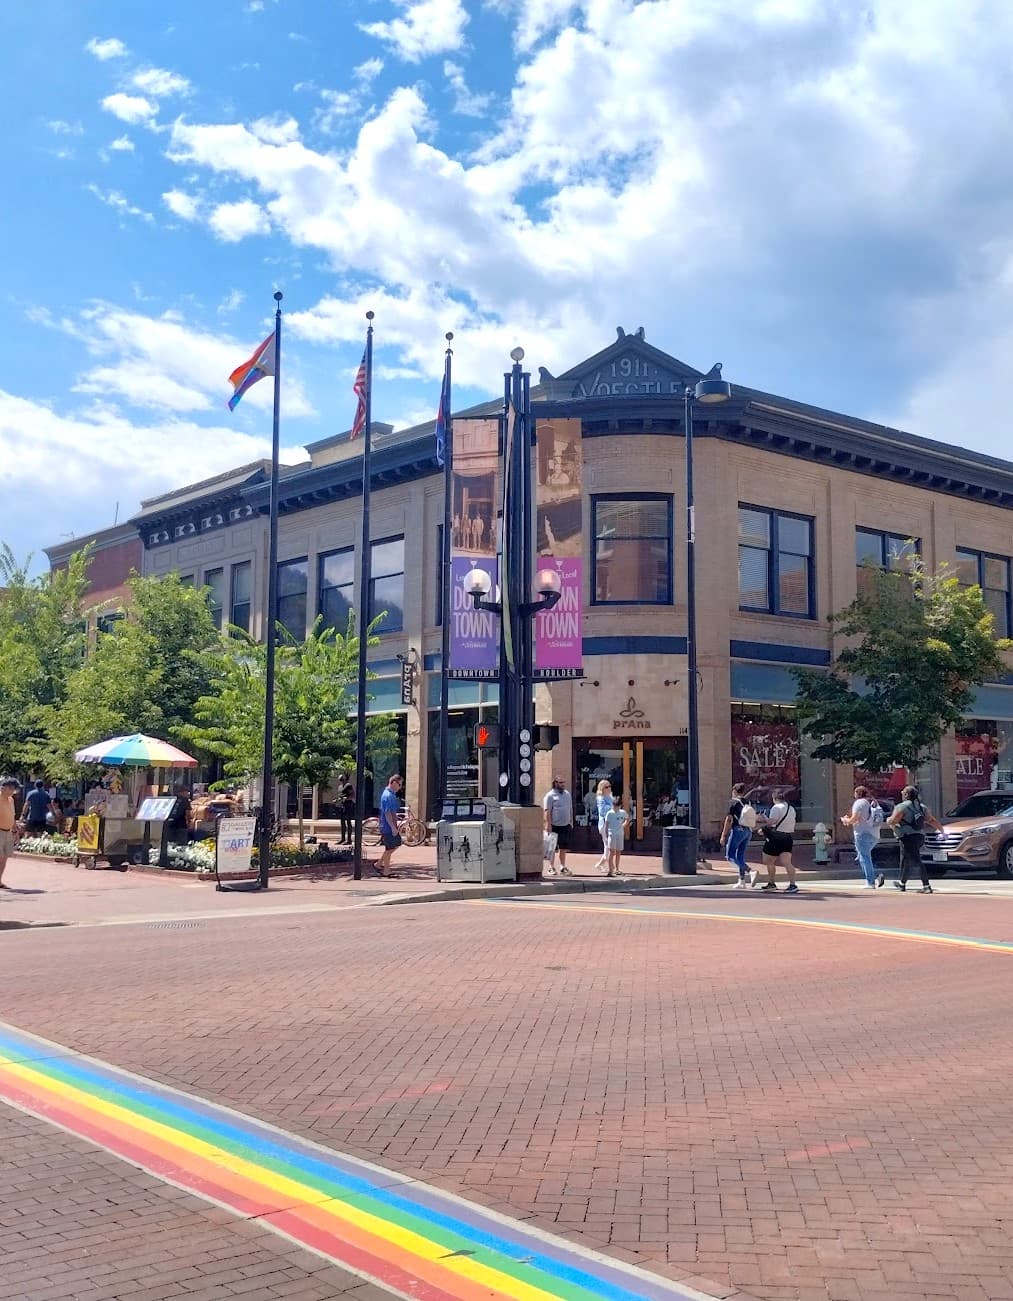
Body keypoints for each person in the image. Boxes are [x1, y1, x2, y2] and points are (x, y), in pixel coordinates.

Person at [886, 784, 943, 893]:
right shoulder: (922, 807)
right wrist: (942, 830)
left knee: (916, 860)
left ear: (906, 794)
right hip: (919, 837)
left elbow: (893, 821)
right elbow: (931, 820)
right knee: (905, 859)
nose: (901, 793)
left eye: (903, 792)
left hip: (907, 837)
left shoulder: (901, 807)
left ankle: (926, 886)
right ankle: (902, 883)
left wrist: (888, 820)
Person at [756, 791, 798, 893]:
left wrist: (763, 818)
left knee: (768, 860)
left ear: (774, 799)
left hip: (775, 837)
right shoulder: (791, 808)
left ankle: (771, 883)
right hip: (787, 837)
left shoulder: (776, 808)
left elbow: (772, 821)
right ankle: (793, 884)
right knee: (787, 862)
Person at [840, 784, 881, 888]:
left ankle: (871, 881)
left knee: (865, 857)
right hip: (874, 834)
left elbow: (855, 818)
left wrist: (846, 821)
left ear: (857, 793)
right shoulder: (870, 802)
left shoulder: (859, 803)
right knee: (861, 857)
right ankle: (875, 877)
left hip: (862, 834)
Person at [719, 782, 754, 889]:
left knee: (729, 855)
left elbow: (729, 819)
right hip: (748, 830)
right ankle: (741, 881)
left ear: (734, 790)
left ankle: (749, 871)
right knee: (740, 856)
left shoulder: (732, 802)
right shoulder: (747, 802)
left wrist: (723, 835)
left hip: (737, 830)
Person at [542, 775, 573, 875]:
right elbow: (547, 811)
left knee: (563, 847)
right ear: (555, 783)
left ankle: (562, 866)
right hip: (554, 825)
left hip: (565, 825)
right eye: (561, 783)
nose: (563, 785)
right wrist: (548, 824)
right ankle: (551, 867)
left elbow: (570, 808)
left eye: (564, 782)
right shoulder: (550, 796)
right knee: (552, 848)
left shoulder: (567, 794)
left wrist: (571, 821)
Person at [377, 773, 403, 877]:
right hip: (387, 826)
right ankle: (386, 870)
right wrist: (392, 827)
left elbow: (392, 812)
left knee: (395, 845)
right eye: (399, 784)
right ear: (393, 783)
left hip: (391, 825)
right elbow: (387, 813)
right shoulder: (387, 795)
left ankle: (379, 864)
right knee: (390, 848)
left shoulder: (391, 795)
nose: (400, 787)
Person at [0, 777, 19, 888]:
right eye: (11, 788)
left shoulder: (11, 800)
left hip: (8, 832)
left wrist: (15, 830)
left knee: (5, 858)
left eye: (14, 789)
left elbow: (12, 816)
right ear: (4, 788)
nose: (13, 791)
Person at [604, 797, 629, 876]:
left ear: (620, 806)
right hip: (612, 834)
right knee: (612, 852)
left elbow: (627, 819)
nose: (616, 808)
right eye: (614, 806)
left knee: (618, 851)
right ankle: (610, 870)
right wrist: (606, 835)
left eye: (617, 806)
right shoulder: (609, 813)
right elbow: (606, 825)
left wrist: (623, 825)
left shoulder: (622, 812)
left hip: (620, 834)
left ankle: (617, 868)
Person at [593, 779, 613, 871]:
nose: (609, 788)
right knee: (608, 845)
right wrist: (612, 808)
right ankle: (606, 864)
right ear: (602, 788)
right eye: (606, 787)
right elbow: (602, 811)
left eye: (609, 786)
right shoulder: (601, 798)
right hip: (604, 824)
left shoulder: (610, 797)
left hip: (612, 823)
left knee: (609, 845)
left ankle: (601, 863)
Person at [337, 773, 355, 845]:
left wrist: (346, 798)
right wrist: (337, 800)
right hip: (342, 805)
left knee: (348, 822)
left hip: (348, 805)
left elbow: (352, 796)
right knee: (342, 823)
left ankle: (349, 840)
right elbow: (340, 796)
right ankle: (342, 838)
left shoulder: (348, 785)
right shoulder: (340, 786)